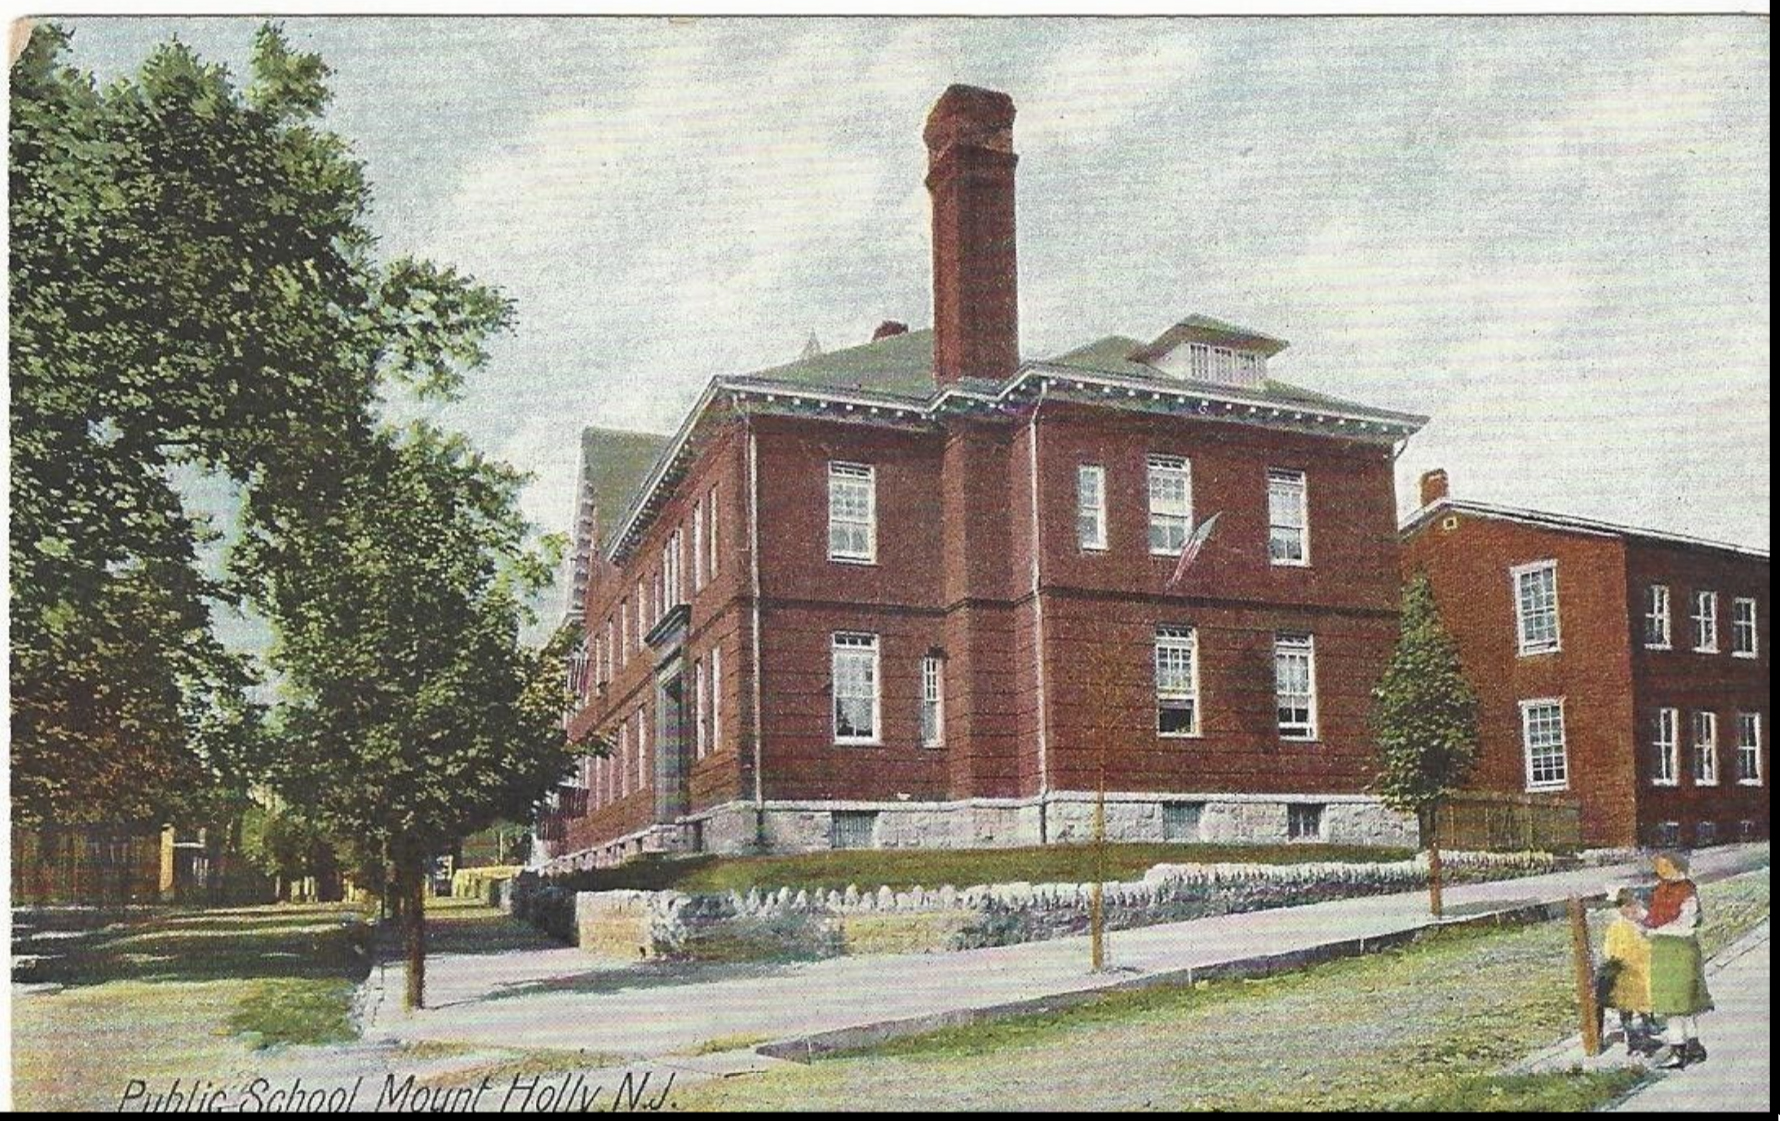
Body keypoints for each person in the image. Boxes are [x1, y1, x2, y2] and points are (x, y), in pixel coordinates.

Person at [1641, 851, 1713, 1068]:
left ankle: (1678, 1052)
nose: (1661, 870)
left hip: (1680, 950)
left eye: (1666, 866)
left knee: (1677, 1004)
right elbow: (1654, 915)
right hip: (1663, 951)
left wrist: (1654, 932)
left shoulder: (1686, 891)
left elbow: (1686, 925)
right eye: (1658, 866)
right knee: (1680, 1004)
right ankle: (1694, 1048)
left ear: (1678, 866)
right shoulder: (1661, 890)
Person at [1597, 886, 1660, 1054]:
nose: (1631, 910)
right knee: (1626, 1002)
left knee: (1646, 997)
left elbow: (1651, 944)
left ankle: (1648, 1023)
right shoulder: (1616, 928)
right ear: (1620, 909)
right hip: (1624, 971)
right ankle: (1631, 1034)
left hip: (1643, 969)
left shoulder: (1642, 924)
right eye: (1626, 907)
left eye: (1634, 906)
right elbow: (1609, 951)